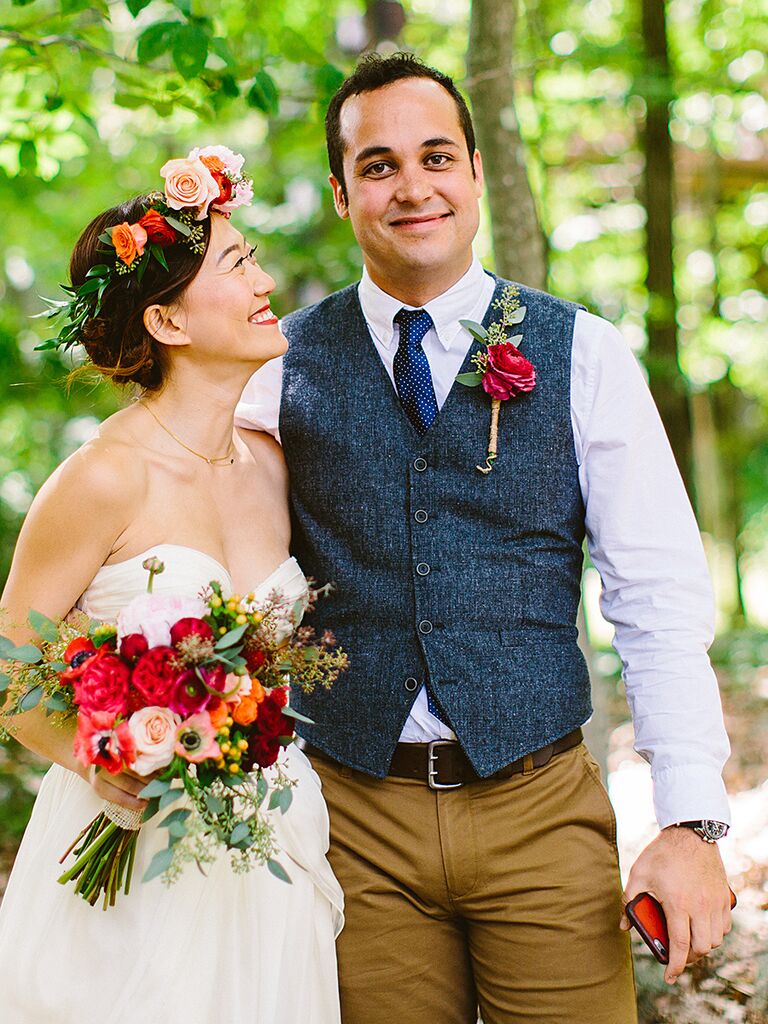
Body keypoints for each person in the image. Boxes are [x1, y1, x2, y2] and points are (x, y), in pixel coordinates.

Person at [235, 53, 734, 1024]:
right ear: (341, 195)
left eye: (435, 157)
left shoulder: (582, 352)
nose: (412, 186)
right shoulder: (275, 366)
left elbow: (657, 598)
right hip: (352, 821)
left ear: (472, 171)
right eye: (378, 166)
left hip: (537, 811)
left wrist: (689, 820)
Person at [0, 148, 343, 1024]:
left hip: (264, 846)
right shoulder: (103, 478)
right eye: (238, 264)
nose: (266, 279)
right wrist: (109, 758)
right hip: (131, 858)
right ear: (169, 321)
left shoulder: (271, 463)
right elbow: (11, 668)